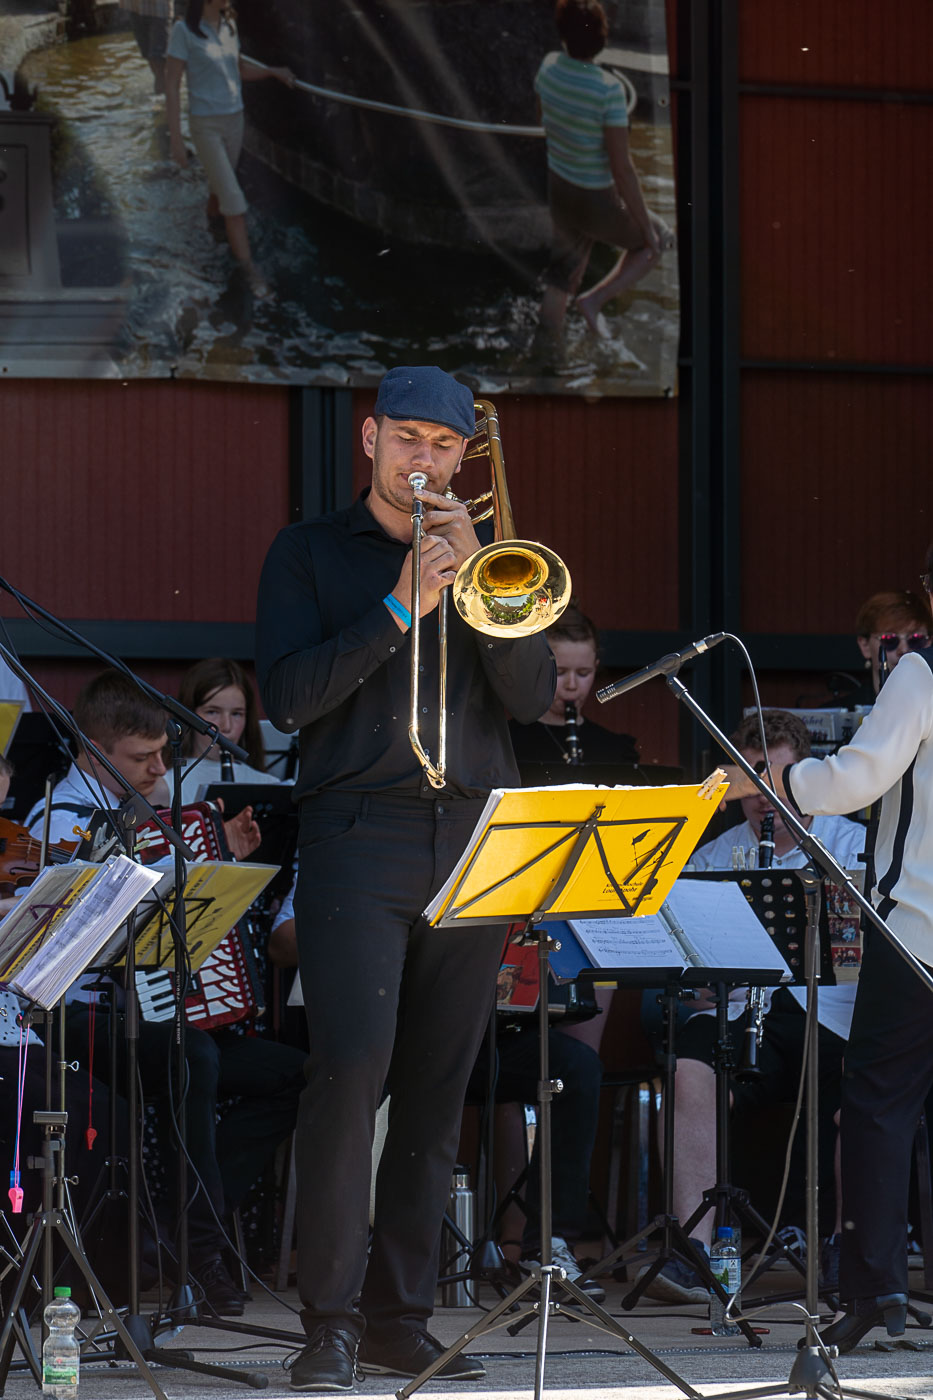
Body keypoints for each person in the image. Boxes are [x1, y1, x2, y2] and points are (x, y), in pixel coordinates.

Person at [255, 364, 555, 1391]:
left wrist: (475, 586)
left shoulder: (487, 557)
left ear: (464, 457)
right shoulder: (307, 552)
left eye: (444, 445)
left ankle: (401, 1317)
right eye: (408, 438)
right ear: (371, 437)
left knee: (436, 1088)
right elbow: (288, 698)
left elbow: (528, 697)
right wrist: (401, 605)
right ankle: (330, 1322)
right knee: (349, 1074)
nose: (423, 460)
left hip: (472, 835)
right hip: (357, 833)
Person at [24, 670, 307, 1316]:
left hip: (148, 1015)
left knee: (298, 1075)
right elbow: (57, 947)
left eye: (161, 754)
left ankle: (180, 1224)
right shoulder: (56, 822)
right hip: (72, 1016)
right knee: (188, 1057)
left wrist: (224, 868)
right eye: (141, 758)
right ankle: (199, 1248)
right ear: (92, 753)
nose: (159, 769)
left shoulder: (151, 811)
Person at [720, 571, 933, 1351]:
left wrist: (774, 779)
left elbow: (856, 778)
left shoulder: (919, 671)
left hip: (916, 929)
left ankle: (875, 1293)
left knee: (877, 1105)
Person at [641, 710, 866, 1305]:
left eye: (780, 781)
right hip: (745, 1016)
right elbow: (683, 969)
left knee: (869, 1080)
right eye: (751, 782)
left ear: (809, 776)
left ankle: (850, 1250)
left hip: (836, 1017)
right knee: (688, 1068)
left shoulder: (853, 846)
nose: (765, 797)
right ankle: (694, 1251)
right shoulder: (710, 858)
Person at [534, 0, 671, 343]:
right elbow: (622, 170)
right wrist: (647, 229)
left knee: (561, 276)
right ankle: (593, 301)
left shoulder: (548, 67)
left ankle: (548, 351)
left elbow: (544, 122)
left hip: (559, 188)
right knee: (659, 239)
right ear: (602, 38)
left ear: (563, 32)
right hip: (596, 199)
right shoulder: (609, 89)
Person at [165, 0, 295, 297]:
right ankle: (250, 272)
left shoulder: (230, 26)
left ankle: (212, 226)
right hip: (206, 126)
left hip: (235, 122)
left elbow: (238, 70)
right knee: (235, 203)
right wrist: (176, 141)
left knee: (219, 189)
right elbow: (171, 86)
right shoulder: (183, 31)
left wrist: (272, 72)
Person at [508, 604, 638, 768]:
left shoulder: (615, 749)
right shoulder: (506, 744)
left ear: (595, 667)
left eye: (583, 673)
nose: (572, 685)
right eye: (560, 672)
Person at [175, 656, 281, 802]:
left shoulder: (269, 785)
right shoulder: (165, 785)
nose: (226, 726)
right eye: (212, 712)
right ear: (188, 715)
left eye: (236, 714)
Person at [849, 590, 932, 703]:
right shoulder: (841, 711)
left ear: (930, 642)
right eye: (889, 640)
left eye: (916, 639)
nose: (903, 650)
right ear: (865, 646)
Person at [122, 0, 173, 98]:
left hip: (159, 7)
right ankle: (165, 95)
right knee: (149, 56)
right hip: (134, 6)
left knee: (159, 59)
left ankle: (163, 100)